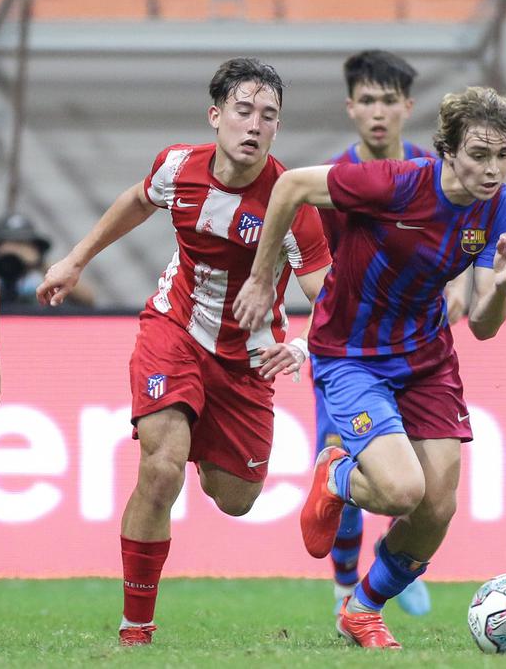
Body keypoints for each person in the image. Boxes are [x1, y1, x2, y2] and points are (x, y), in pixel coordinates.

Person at [35, 57, 332, 647]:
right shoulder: (178, 166)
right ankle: (135, 628)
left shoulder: (291, 201)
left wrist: (301, 346)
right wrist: (75, 260)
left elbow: (327, 295)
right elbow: (138, 201)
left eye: (268, 116)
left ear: (277, 128)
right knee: (161, 466)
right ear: (215, 115)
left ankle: (311, 468)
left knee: (237, 499)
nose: (254, 125)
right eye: (243, 111)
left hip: (247, 360)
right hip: (175, 330)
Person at [234, 86, 506, 648]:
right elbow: (291, 184)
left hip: (427, 358)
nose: (492, 170)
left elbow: (486, 326)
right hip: (351, 355)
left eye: (502, 155)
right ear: (448, 150)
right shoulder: (395, 183)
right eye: (479, 155)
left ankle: (363, 609)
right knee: (400, 493)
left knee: (437, 508)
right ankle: (337, 473)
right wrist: (259, 275)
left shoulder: (502, 207)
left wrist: (504, 287)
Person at [318, 49, 438, 617]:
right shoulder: (335, 182)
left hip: (415, 351)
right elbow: (312, 264)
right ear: (350, 108)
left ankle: (390, 566)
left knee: (418, 470)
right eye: (367, 100)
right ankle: (345, 583)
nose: (378, 111)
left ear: (408, 107)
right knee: (349, 466)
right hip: (349, 352)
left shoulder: (434, 174)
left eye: (389, 100)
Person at [0, 212, 94, 308]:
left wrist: (39, 263)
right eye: (9, 245)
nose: (16, 251)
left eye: (23, 244)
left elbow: (88, 301)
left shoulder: (39, 279)